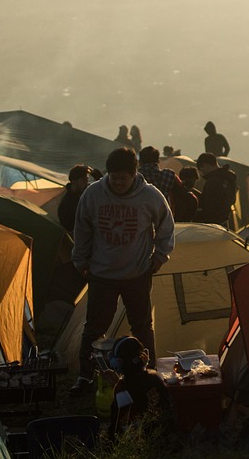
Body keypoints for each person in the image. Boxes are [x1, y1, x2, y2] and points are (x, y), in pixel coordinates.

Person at [69, 147, 175, 396]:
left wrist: (159, 256)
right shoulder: (93, 194)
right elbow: (82, 227)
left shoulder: (149, 196)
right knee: (95, 327)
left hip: (137, 274)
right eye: (113, 177)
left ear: (134, 174)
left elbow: (166, 226)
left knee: (141, 326)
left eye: (122, 178)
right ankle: (86, 375)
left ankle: (149, 373)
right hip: (101, 273)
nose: (117, 183)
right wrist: (80, 260)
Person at [106, 336, 174, 438]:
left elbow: (119, 422)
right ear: (145, 357)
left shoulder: (122, 388)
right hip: (164, 435)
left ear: (117, 363)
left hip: (141, 440)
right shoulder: (156, 377)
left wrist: (116, 383)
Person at [138, 146, 193, 223]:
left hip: (141, 221)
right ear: (158, 161)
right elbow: (191, 199)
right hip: (166, 220)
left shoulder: (134, 179)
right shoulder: (170, 175)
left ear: (140, 162)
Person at [194, 152, 238, 228]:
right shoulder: (228, 179)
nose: (202, 172)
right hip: (224, 221)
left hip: (212, 224)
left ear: (206, 165)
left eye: (202, 168)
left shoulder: (213, 181)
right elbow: (232, 200)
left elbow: (209, 205)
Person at [58, 164, 93, 233]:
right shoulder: (66, 205)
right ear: (74, 181)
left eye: (87, 180)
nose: (86, 184)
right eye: (84, 181)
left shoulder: (87, 197)